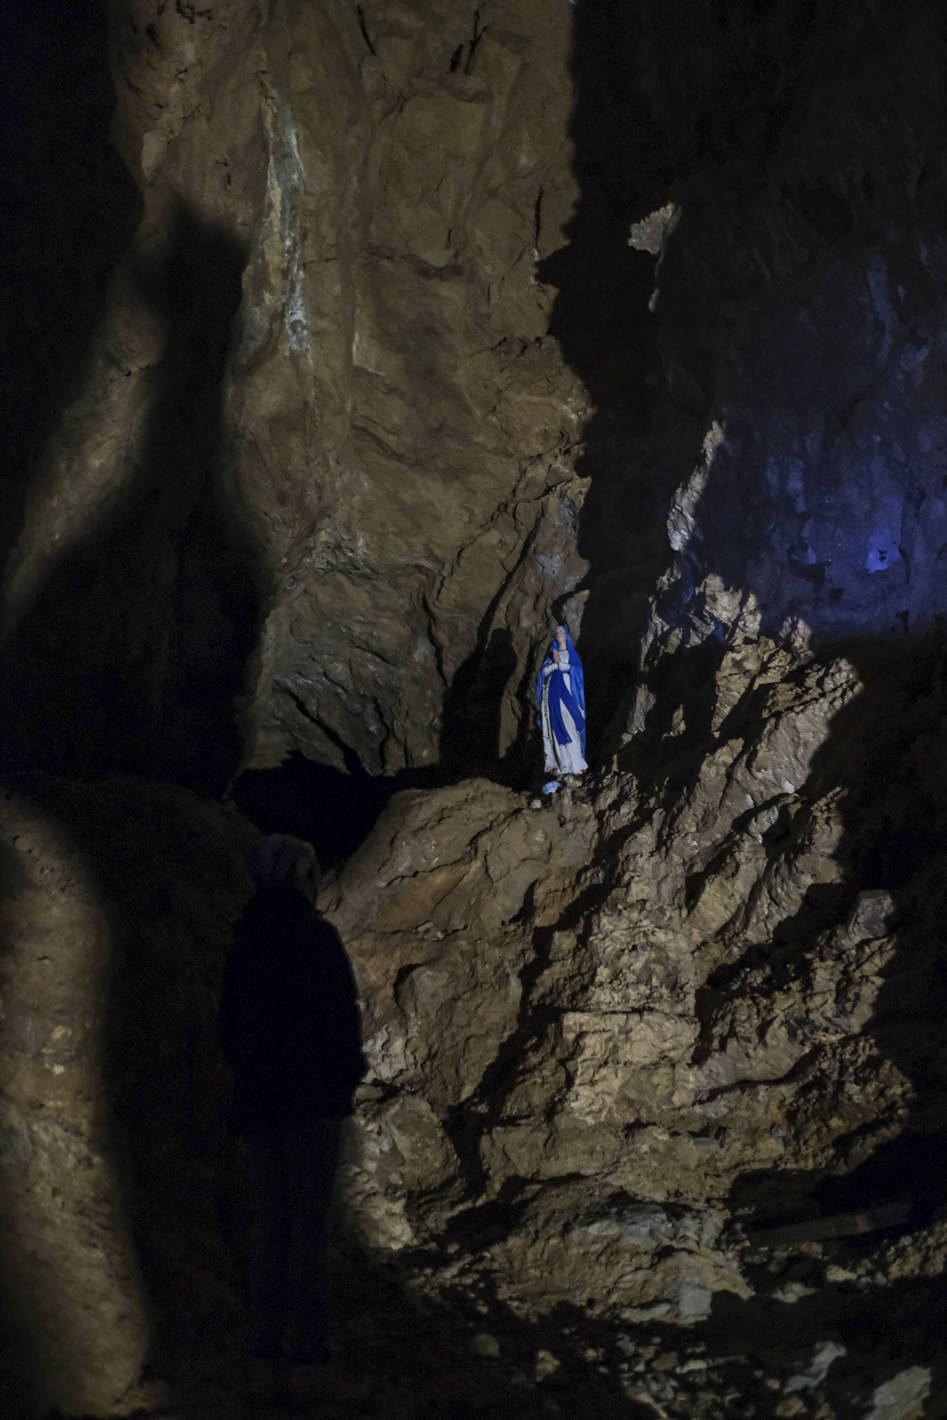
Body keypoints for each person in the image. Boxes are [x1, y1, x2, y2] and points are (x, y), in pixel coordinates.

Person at [218, 835, 364, 1373]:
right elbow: (342, 1023)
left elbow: (227, 1029)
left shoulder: (243, 940)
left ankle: (263, 1337)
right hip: (312, 1103)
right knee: (308, 1224)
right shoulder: (317, 938)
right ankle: (308, 1341)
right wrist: (343, 1082)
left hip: (258, 1103)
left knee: (270, 1221)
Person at [536, 623, 587, 785]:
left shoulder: (572, 656)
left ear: (566, 635)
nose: (559, 634)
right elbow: (542, 674)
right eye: (556, 632)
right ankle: (562, 765)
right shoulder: (550, 658)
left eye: (561, 631)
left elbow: (577, 672)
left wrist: (560, 665)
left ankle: (576, 766)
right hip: (552, 699)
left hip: (568, 699)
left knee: (570, 728)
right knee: (555, 731)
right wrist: (553, 664)